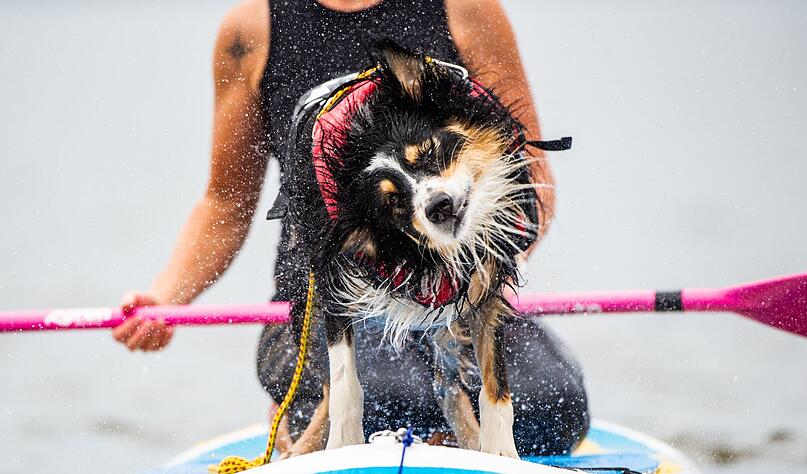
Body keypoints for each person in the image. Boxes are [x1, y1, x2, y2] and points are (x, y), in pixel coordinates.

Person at [114, 0, 589, 457]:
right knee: (391, 400)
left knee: (553, 408)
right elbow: (225, 203)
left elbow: (530, 176)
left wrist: (468, 274)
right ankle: (321, 414)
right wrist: (166, 297)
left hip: (465, 294)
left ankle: (452, 422)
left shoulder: (465, 7)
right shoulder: (251, 28)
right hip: (329, 303)